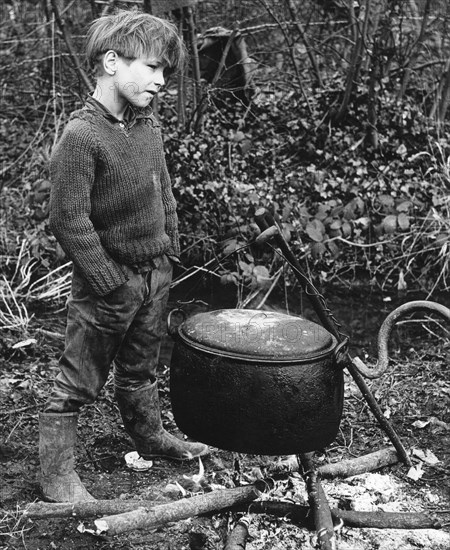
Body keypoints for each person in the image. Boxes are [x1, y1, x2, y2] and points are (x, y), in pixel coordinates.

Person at [40, 9, 209, 503]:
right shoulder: (80, 136)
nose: (160, 82)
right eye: (151, 68)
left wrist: (169, 256)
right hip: (108, 284)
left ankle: (149, 434)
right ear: (112, 62)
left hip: (155, 275)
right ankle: (56, 475)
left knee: (141, 368)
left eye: (164, 72)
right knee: (77, 381)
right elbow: (68, 220)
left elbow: (166, 195)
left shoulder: (146, 129)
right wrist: (107, 278)